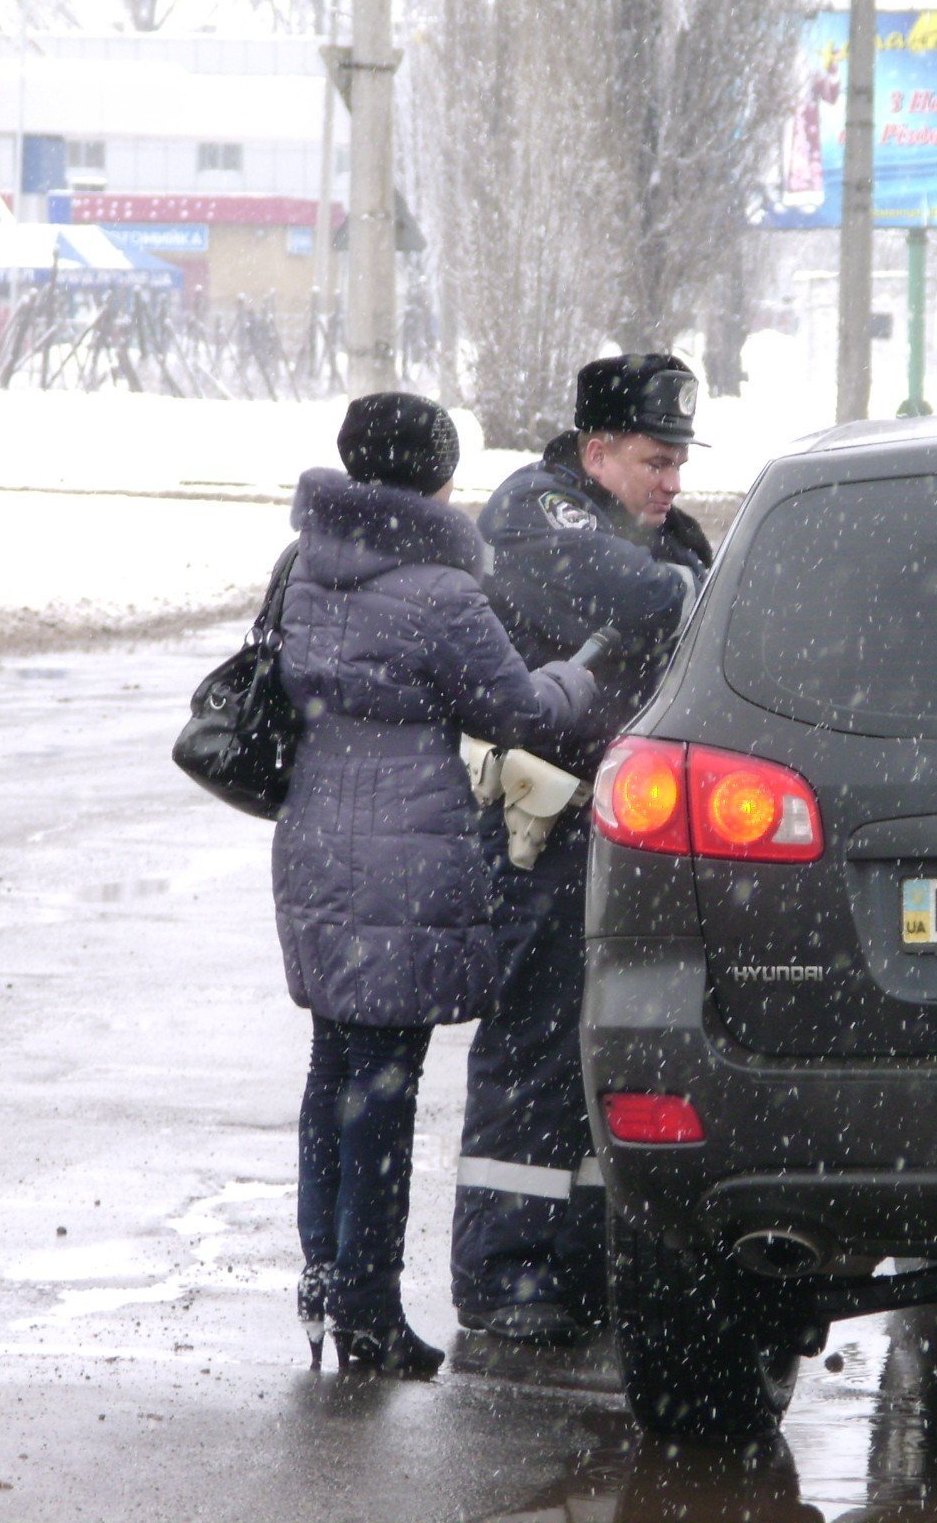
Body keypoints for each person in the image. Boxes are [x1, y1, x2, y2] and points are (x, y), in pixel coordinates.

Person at [274, 392, 598, 1377]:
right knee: (382, 1083)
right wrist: (582, 670)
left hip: (313, 840)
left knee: (335, 1067)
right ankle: (371, 1313)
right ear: (435, 477)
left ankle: (326, 1279)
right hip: (405, 848)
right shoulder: (437, 592)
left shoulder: (302, 568)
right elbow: (518, 710)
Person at [452, 354, 714, 1344]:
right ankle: (506, 1277)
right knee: (532, 1053)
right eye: (654, 459)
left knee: (614, 1053)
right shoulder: (536, 511)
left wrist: (678, 587)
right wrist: (682, 590)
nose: (671, 481)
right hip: (541, 834)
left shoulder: (657, 535)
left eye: (679, 460)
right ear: (594, 450)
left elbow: (679, 601)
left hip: (630, 839)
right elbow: (660, 605)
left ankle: (587, 1264)